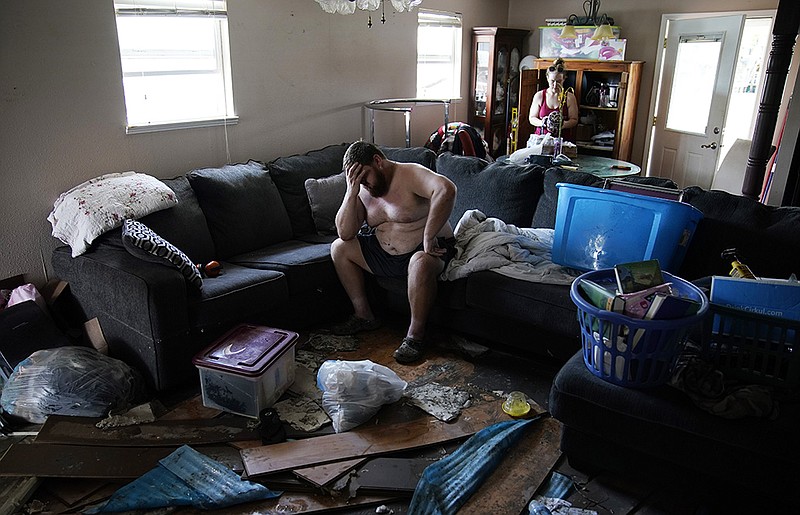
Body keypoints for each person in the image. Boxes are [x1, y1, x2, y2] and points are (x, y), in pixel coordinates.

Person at [330, 141, 457, 364]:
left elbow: (446, 189)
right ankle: (364, 316)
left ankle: (415, 336)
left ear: (378, 161)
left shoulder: (409, 174)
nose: (364, 185)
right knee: (339, 248)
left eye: (365, 176)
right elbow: (345, 232)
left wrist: (429, 235)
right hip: (384, 254)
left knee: (420, 262)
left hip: (425, 250)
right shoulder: (361, 188)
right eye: (357, 180)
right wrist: (351, 192)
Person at [529, 58, 579, 140]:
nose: (555, 85)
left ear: (564, 79)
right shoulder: (539, 96)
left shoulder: (569, 97)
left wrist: (563, 124)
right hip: (541, 140)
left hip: (562, 140)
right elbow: (532, 118)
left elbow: (574, 120)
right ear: (547, 78)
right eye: (552, 81)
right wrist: (543, 123)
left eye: (559, 81)